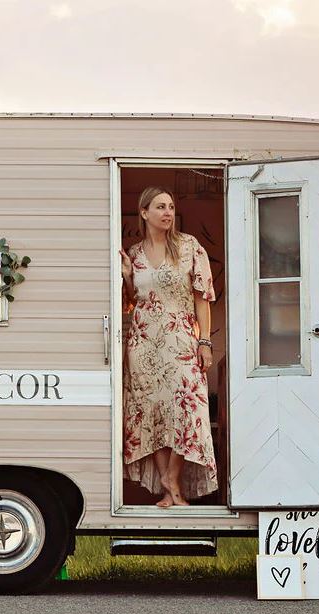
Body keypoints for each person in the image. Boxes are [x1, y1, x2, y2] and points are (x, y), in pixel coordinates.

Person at [120, 187, 218, 508]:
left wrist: (204, 341)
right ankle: (168, 489)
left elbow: (202, 297)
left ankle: (173, 476)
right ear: (144, 212)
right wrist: (127, 278)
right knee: (154, 414)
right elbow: (134, 301)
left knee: (187, 410)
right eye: (160, 207)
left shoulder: (190, 247)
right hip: (143, 344)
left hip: (182, 344)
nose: (168, 212)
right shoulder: (133, 254)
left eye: (171, 207)